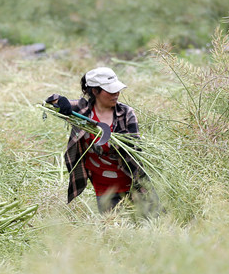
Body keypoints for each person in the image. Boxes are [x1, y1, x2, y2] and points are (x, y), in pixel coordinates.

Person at [46, 66, 158, 215]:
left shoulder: (125, 113)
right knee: (114, 233)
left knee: (150, 225)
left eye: (117, 89)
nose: (116, 94)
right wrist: (60, 101)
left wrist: (120, 143)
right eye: (110, 91)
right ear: (95, 91)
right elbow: (49, 103)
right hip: (105, 190)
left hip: (133, 184)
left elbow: (136, 148)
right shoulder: (81, 111)